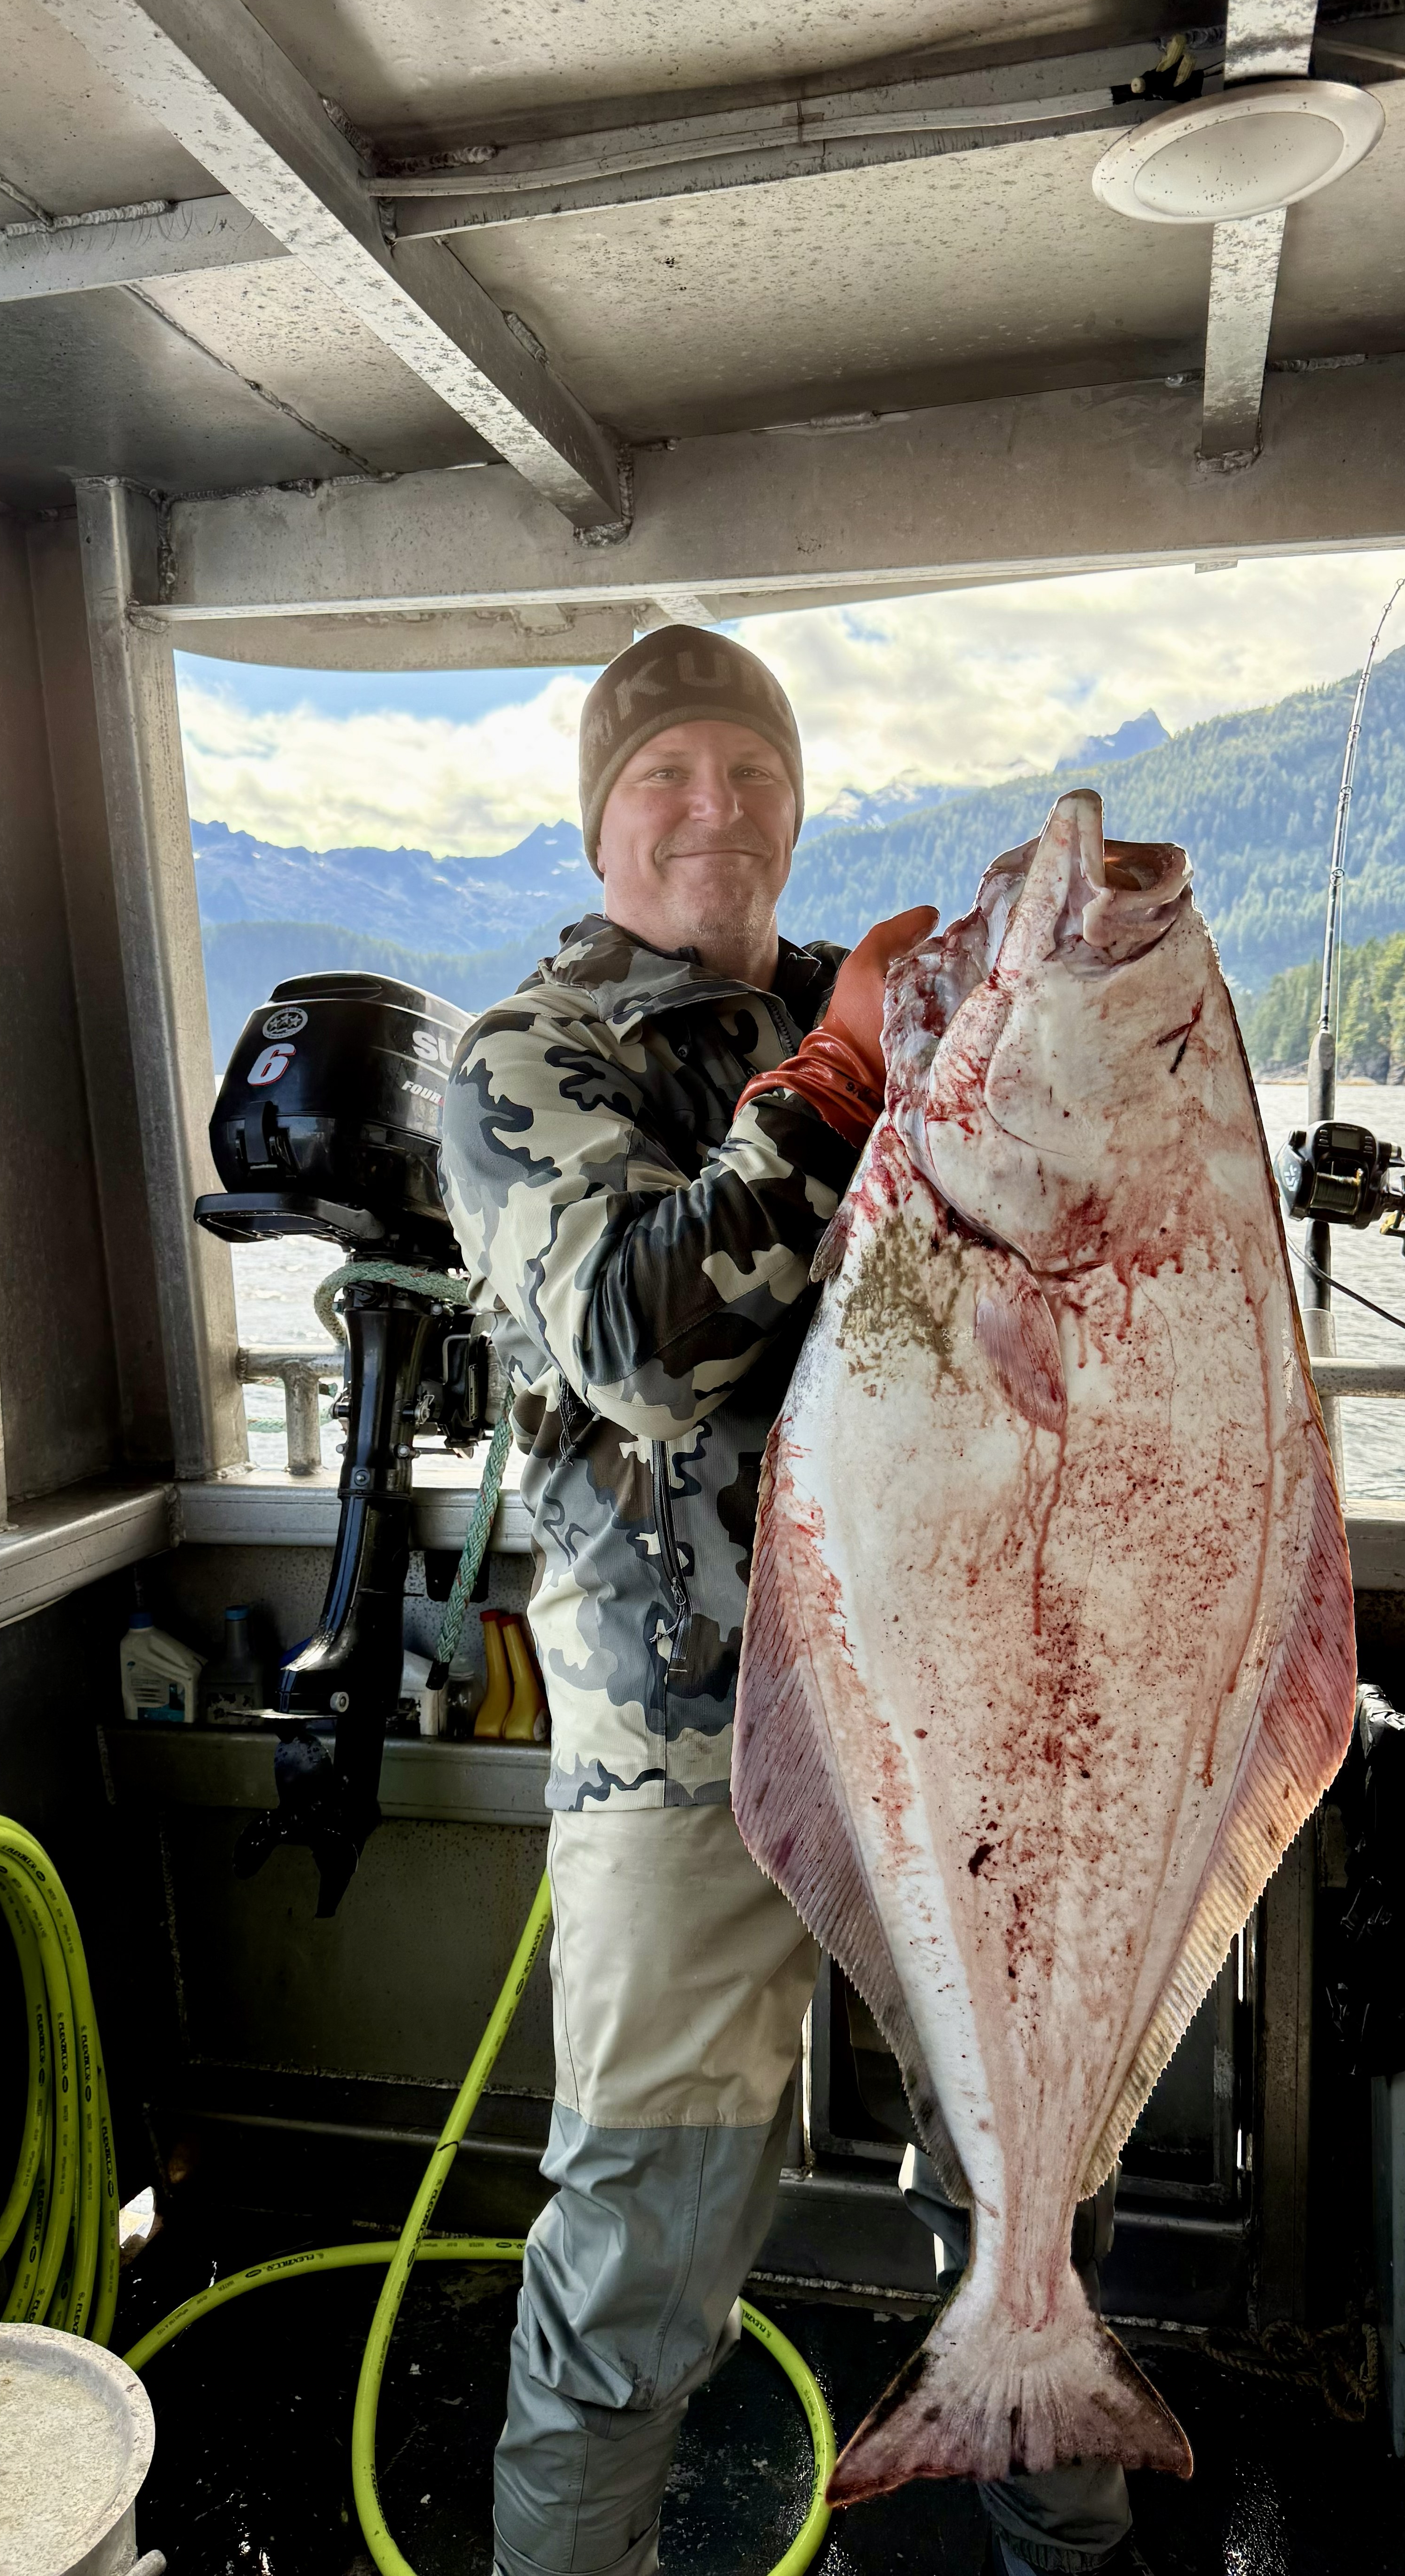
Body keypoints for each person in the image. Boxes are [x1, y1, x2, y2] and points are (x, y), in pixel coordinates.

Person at [440, 625, 1139, 2576]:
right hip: (682, 1756)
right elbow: (641, 1338)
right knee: (638, 2272)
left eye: (752, 775)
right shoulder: (522, 1059)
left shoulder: (895, 1019)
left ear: (797, 810)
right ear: (600, 818)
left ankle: (1072, 2555)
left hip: (946, 1723)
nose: (713, 809)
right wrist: (835, 1084)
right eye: (666, 773)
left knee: (1030, 2193)